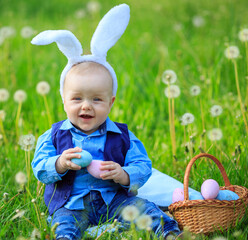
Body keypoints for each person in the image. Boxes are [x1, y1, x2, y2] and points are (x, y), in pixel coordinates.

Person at [31, 4, 183, 240]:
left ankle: (170, 233)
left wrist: (123, 174)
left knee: (146, 208)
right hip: (72, 205)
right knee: (64, 224)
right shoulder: (54, 136)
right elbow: (40, 168)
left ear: (111, 102)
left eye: (97, 99)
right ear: (64, 101)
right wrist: (60, 163)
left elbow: (143, 165)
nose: (86, 106)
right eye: (77, 98)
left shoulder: (121, 135)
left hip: (115, 201)